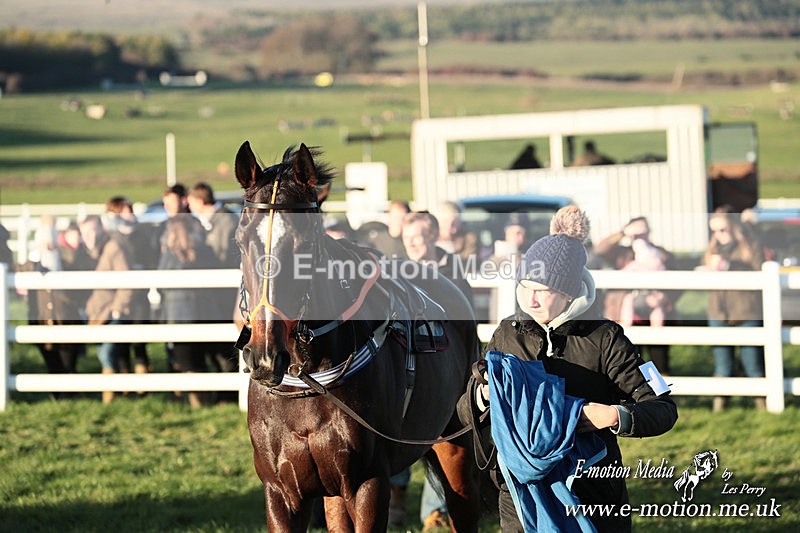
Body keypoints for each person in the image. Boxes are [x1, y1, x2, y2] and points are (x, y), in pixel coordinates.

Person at [464, 206, 678, 532]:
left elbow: (663, 408)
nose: (530, 300)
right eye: (525, 286)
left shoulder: (606, 338)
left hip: (592, 487)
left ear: (568, 293)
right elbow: (464, 409)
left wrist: (616, 416)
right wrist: (482, 397)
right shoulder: (508, 333)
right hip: (522, 492)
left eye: (542, 290)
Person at [397, 211, 476, 530]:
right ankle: (397, 501)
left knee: (447, 437)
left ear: (431, 236)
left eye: (417, 237)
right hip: (410, 363)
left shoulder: (452, 274)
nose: (412, 244)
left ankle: (435, 511)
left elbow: (464, 323)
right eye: (407, 239)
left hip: (444, 365)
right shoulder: (399, 273)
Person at [592, 217, 680, 374]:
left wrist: (664, 298)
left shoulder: (660, 253)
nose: (640, 233)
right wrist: (623, 233)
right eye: (636, 229)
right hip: (625, 311)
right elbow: (599, 250)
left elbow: (677, 279)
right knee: (629, 359)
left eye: (643, 229)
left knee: (658, 359)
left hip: (654, 310)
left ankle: (661, 386)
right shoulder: (621, 252)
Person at [703, 207, 766, 412]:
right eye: (714, 231)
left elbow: (759, 271)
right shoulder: (712, 249)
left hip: (746, 311)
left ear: (734, 227)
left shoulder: (751, 245)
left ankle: (762, 404)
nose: (718, 235)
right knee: (722, 363)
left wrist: (731, 266)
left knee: (752, 362)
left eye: (723, 230)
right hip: (719, 312)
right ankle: (720, 406)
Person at [157, 216, 222, 408]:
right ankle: (204, 401)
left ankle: (192, 402)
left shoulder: (169, 256)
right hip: (204, 313)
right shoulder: (205, 251)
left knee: (183, 360)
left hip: (178, 315)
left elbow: (160, 284)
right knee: (200, 359)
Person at [187, 182, 240, 382]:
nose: (189, 207)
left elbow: (221, 256)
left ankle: (228, 385)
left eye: (191, 202)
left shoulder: (225, 220)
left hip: (225, 293)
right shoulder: (213, 221)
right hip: (216, 293)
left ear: (200, 201)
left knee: (226, 344)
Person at [81, 215, 134, 404]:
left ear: (100, 230)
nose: (89, 236)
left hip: (112, 309)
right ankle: (121, 391)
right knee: (106, 352)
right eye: (85, 232)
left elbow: (126, 279)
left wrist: (118, 307)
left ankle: (109, 398)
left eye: (92, 230)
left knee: (107, 353)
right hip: (95, 312)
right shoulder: (86, 253)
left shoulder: (113, 248)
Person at [102, 196, 152, 381]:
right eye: (124, 211)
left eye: (129, 210)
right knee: (121, 341)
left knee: (139, 340)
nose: (129, 214)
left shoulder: (142, 235)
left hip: (139, 295)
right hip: (118, 296)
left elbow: (150, 260)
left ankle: (142, 382)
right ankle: (124, 382)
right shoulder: (110, 237)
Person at [432, 200, 478, 265]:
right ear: (437, 223)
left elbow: (468, 264)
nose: (453, 230)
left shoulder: (469, 240)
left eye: (455, 224)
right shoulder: (427, 240)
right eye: (446, 223)